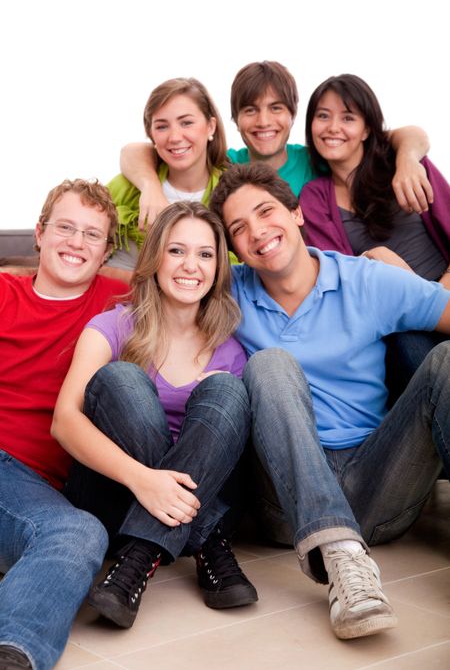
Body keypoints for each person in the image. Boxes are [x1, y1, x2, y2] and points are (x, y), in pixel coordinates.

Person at [208, 162, 450, 641]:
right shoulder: (226, 293)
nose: (258, 232)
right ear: (232, 248)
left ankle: (348, 549)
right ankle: (342, 561)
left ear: (296, 213)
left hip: (380, 483)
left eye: (266, 212)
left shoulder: (367, 280)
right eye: (239, 228)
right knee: (269, 365)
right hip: (286, 502)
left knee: (446, 360)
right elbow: (154, 292)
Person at [51, 201, 257, 630]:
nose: (191, 265)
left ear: (218, 267)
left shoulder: (231, 348)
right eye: (177, 250)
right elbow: (64, 422)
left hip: (191, 498)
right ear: (155, 258)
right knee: (121, 378)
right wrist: (143, 480)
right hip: (113, 495)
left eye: (205, 254)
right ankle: (206, 540)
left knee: (226, 390)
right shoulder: (111, 326)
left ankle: (138, 558)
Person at [0, 179, 129, 670]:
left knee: (78, 534)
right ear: (39, 233)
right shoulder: (4, 291)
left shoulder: (117, 299)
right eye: (65, 228)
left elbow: (188, 275)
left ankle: (14, 654)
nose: (76, 242)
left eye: (92, 235)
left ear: (106, 251)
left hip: (39, 491)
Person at [119, 61, 433, 228]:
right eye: (250, 110)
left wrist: (407, 160)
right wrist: (150, 186)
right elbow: (135, 151)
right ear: (235, 119)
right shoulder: (227, 166)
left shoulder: (317, 159)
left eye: (276, 108)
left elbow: (406, 135)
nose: (264, 121)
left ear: (293, 114)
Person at [299, 73, 450, 398]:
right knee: (417, 354)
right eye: (323, 116)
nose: (333, 127)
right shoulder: (314, 196)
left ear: (367, 129)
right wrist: (378, 262)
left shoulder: (408, 165)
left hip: (447, 288)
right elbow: (338, 278)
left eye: (348, 117)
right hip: (396, 320)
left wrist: (439, 290)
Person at [104, 77, 231, 280]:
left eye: (186, 123)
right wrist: (150, 187)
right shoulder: (127, 186)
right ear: (151, 134)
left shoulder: (231, 195)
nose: (174, 137)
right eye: (162, 126)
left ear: (211, 126)